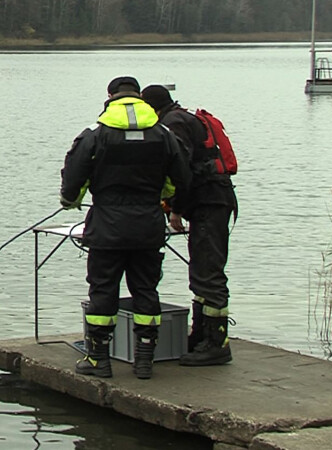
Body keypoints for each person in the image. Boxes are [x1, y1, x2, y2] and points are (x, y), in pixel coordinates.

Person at [59, 76, 191, 379]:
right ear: (139, 96)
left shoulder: (95, 134)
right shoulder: (164, 134)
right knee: (146, 290)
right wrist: (162, 196)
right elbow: (180, 179)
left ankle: (98, 360)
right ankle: (144, 361)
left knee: (103, 290)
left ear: (110, 96)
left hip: (106, 228)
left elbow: (73, 179)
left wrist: (70, 201)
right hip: (148, 226)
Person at [140, 85, 238, 366]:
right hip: (211, 201)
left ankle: (217, 344)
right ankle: (201, 335)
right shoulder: (181, 118)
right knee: (201, 270)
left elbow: (180, 169)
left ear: (150, 107)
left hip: (210, 203)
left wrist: (175, 210)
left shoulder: (173, 124)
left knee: (209, 271)